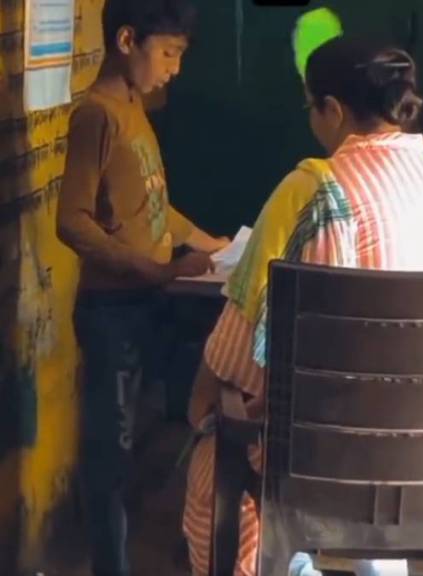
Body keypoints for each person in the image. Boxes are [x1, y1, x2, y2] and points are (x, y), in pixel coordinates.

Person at [180, 35, 423, 576]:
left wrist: (201, 404)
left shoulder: (313, 190)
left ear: (332, 109)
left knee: (216, 463)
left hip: (322, 466)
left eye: (312, 108)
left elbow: (239, 344)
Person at [56, 0, 228, 573]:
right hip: (112, 309)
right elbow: (72, 219)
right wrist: (155, 271)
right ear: (127, 40)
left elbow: (153, 206)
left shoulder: (135, 108)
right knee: (111, 452)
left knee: (153, 431)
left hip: (148, 302)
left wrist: (216, 244)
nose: (174, 69)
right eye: (168, 54)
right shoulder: (97, 114)